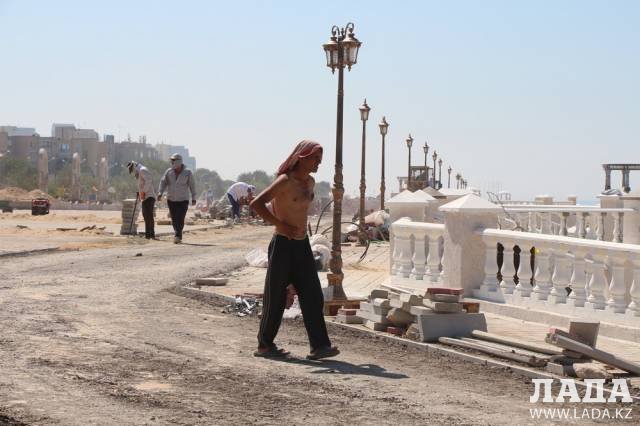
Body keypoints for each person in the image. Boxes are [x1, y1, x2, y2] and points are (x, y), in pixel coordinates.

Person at [250, 140, 339, 360]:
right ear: (302, 157)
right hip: (282, 244)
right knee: (276, 297)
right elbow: (256, 204)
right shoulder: (284, 181)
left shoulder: (310, 182)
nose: (318, 163)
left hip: (302, 244)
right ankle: (265, 345)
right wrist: (279, 224)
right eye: (315, 158)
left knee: (313, 295)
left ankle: (320, 346)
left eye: (320, 159)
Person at [157, 153, 196, 244]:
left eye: (173, 160)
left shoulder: (188, 172)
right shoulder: (168, 172)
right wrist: (160, 193)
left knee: (180, 217)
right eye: (171, 161)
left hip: (183, 200)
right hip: (171, 199)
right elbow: (163, 182)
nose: (172, 162)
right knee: (174, 218)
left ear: (179, 161)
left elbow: (192, 185)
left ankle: (177, 235)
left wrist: (194, 197)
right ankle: (178, 234)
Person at [127, 161, 156, 239]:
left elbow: (149, 181)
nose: (132, 172)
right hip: (146, 196)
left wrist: (143, 192)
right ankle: (149, 234)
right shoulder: (140, 171)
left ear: (134, 167)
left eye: (131, 169)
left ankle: (150, 234)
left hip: (149, 196)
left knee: (148, 215)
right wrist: (140, 192)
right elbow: (142, 184)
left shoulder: (143, 170)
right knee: (146, 216)